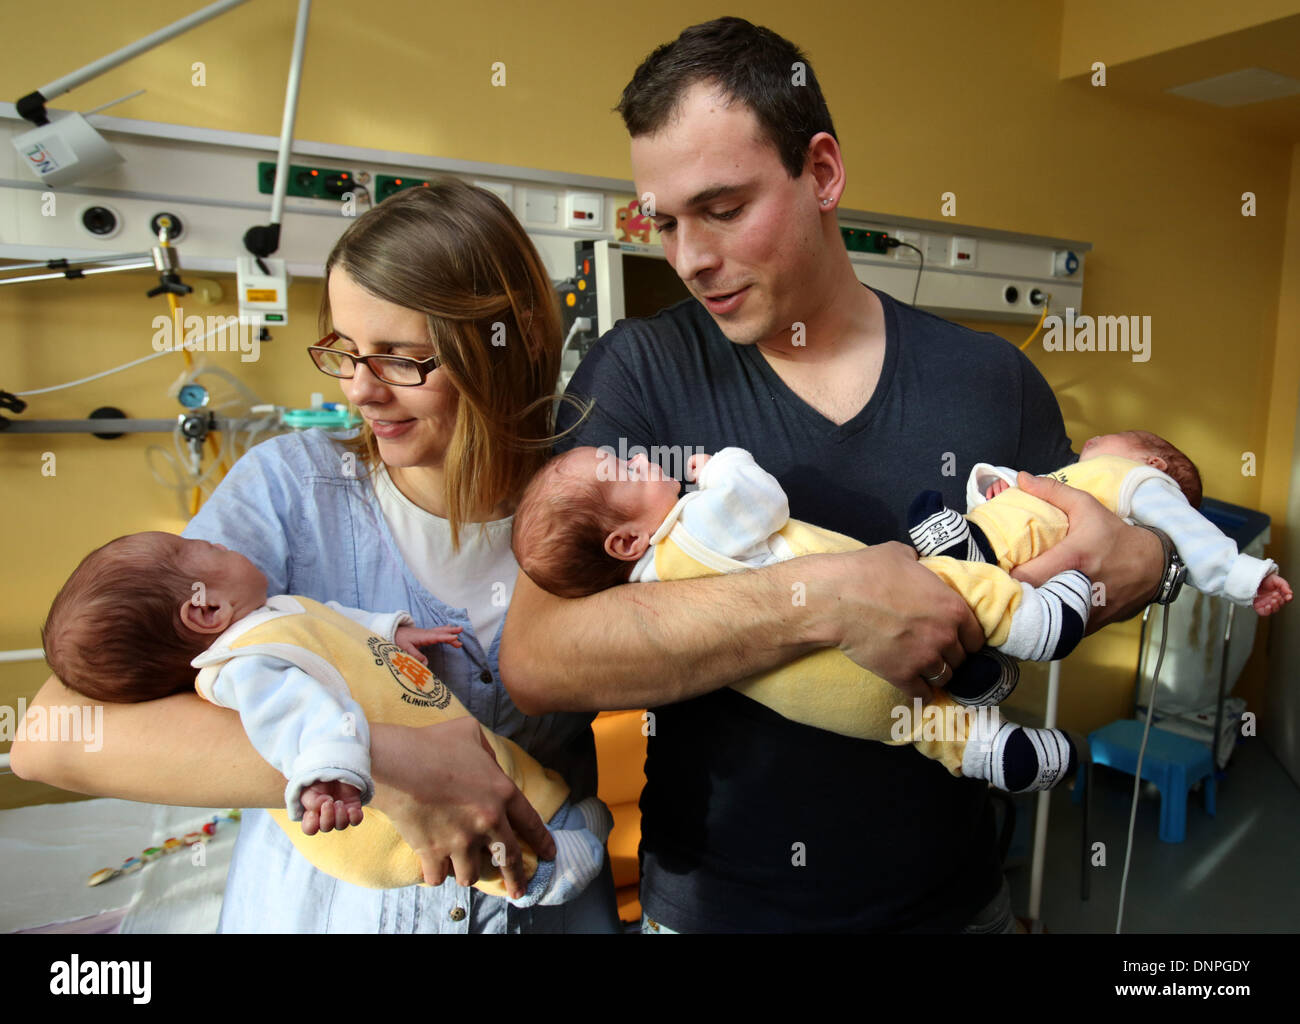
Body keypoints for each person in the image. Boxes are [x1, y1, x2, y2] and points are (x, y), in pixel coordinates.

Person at [499, 17, 1168, 933]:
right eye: (664, 221)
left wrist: (1148, 557)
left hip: (955, 905)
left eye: (723, 209)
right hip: (718, 909)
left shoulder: (988, 382)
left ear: (821, 173)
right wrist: (819, 599)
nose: (689, 258)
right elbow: (538, 659)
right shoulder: (643, 377)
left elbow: (1087, 555)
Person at [13, 181, 621, 933]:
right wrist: (381, 761)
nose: (359, 392)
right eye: (343, 350)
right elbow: (50, 736)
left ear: (519, 337)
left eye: (400, 359)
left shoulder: (600, 500)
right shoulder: (293, 492)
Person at [41, 531, 613, 903]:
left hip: (425, 729)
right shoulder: (249, 664)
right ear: (206, 607)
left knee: (494, 768)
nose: (212, 538)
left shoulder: (272, 620)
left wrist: (391, 632)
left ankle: (561, 825)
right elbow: (295, 720)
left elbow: (332, 624)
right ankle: (539, 880)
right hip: (364, 808)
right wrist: (335, 769)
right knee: (472, 820)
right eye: (200, 547)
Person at [512, 444, 1091, 792]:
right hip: (885, 643)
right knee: (939, 581)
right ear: (624, 542)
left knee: (930, 731)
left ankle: (997, 754)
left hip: (851, 709)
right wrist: (719, 466)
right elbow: (761, 499)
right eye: (626, 469)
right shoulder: (691, 530)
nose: (641, 458)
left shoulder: (653, 585)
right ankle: (1034, 620)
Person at [911, 430, 1292, 615]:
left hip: (1013, 568)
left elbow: (1191, 535)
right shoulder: (1082, 479)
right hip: (997, 547)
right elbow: (1022, 494)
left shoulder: (1137, 481)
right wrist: (993, 484)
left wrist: (1244, 578)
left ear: (1152, 464)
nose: (1097, 436)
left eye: (1119, 435)